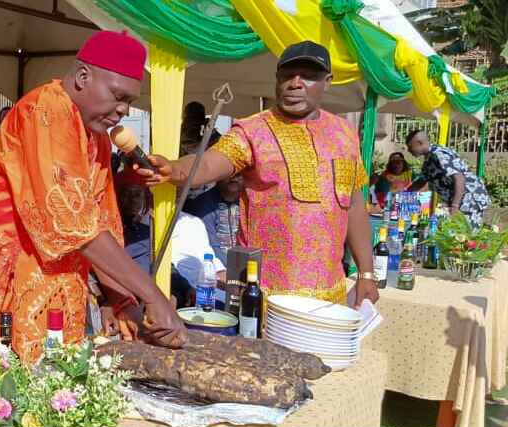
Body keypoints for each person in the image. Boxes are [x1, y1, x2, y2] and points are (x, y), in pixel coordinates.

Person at [0, 31, 187, 380]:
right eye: (117, 96)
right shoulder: (45, 110)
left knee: (46, 395)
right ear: (82, 77)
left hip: (47, 281)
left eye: (129, 101)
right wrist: (153, 296)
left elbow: (100, 225)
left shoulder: (96, 138)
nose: (123, 110)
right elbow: (74, 222)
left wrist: (121, 302)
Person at [142, 41, 378, 308]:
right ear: (277, 79)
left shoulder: (344, 134)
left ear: (328, 81)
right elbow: (209, 164)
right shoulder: (253, 131)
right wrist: (174, 169)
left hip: (331, 295)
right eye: (288, 75)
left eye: (309, 76)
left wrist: (366, 274)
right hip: (266, 298)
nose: (296, 83)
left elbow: (355, 204)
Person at [406, 130, 490, 227]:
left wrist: (454, 207)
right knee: (455, 234)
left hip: (469, 197)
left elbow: (459, 178)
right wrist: (402, 196)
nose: (408, 150)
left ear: (420, 143)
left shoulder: (439, 154)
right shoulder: (429, 160)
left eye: (410, 146)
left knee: (465, 234)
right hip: (461, 199)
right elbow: (421, 181)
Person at [182, 175, 242, 263]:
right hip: (215, 268)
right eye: (230, 173)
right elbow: (210, 247)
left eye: (240, 174)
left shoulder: (250, 202)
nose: (234, 177)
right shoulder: (202, 204)